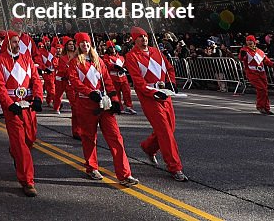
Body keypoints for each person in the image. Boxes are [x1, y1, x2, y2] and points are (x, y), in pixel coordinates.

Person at [67, 33, 138, 186]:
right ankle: (92, 167)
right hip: (86, 104)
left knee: (116, 138)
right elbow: (74, 81)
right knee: (89, 138)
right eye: (82, 43)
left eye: (87, 42)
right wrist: (89, 92)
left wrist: (115, 101)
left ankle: (125, 174)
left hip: (104, 105)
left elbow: (108, 81)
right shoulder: (74, 63)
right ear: (78, 45)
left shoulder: (98, 61)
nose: (85, 45)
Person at [124, 27, 187, 182]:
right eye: (139, 37)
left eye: (145, 36)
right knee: (165, 131)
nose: (143, 39)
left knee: (170, 128)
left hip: (165, 95)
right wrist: (152, 92)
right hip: (150, 98)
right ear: (134, 40)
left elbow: (169, 69)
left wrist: (171, 83)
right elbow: (138, 82)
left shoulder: (157, 52)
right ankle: (175, 167)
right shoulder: (131, 56)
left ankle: (148, 147)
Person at [0, 30, 44, 197]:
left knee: (30, 139)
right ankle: (27, 181)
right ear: (7, 43)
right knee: (21, 145)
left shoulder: (27, 59)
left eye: (18, 42)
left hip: (28, 106)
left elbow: (36, 79)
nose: (17, 45)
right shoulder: (0, 61)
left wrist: (38, 98)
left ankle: (15, 152)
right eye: (14, 42)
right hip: (13, 109)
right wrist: (8, 104)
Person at [238, 35, 274, 115]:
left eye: (250, 40)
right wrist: (242, 55)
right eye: (247, 40)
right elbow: (241, 58)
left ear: (254, 41)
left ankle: (266, 108)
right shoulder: (245, 50)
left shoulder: (260, 51)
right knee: (262, 89)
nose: (249, 42)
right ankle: (260, 106)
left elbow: (266, 61)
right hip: (252, 73)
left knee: (264, 90)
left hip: (262, 73)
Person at [103, 42, 136, 115]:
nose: (113, 49)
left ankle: (129, 107)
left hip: (123, 78)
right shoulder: (106, 57)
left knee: (127, 92)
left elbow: (125, 64)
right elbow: (107, 64)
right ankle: (120, 107)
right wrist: (115, 67)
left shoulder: (121, 57)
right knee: (117, 93)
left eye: (114, 47)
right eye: (111, 48)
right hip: (114, 78)